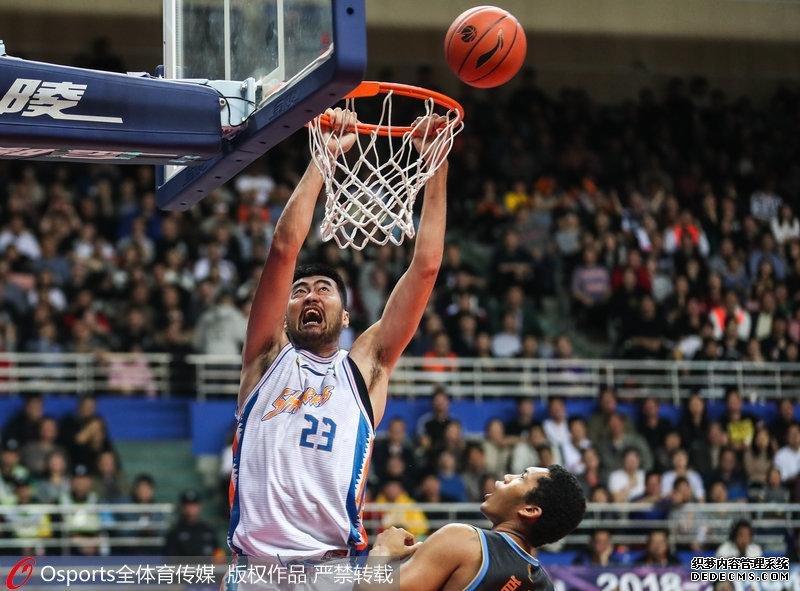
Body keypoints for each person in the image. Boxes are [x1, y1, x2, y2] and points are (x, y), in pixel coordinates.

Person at [228, 108, 451, 559]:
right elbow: (284, 247)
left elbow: (426, 268)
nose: (310, 295)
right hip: (256, 569)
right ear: (285, 316)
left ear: (346, 317)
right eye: (299, 292)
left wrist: (436, 166)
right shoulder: (266, 357)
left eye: (323, 289)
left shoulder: (366, 368)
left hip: (330, 568)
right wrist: (323, 158)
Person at [370, 466, 586, 591]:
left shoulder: (464, 541)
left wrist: (382, 552)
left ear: (529, 510)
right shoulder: (544, 585)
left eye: (521, 477)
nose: (507, 477)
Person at [163, 490, 218, 557]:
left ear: (200, 506)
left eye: (194, 504)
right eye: (188, 505)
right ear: (182, 507)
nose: (191, 508)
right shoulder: (175, 532)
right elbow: (170, 557)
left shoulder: (208, 529)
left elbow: (218, 553)